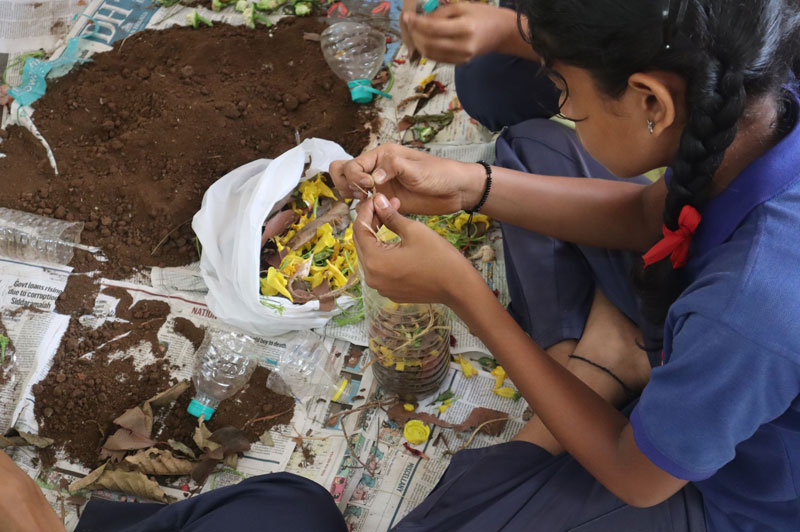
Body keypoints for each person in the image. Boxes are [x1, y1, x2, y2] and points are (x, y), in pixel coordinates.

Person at [331, 0, 800, 530]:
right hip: (701, 326)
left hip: (722, 491)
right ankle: (608, 358)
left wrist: (463, 291)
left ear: (652, 101)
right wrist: (468, 187)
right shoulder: (760, 109)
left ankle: (598, 368)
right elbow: (650, 213)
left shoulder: (748, 307)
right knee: (531, 148)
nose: (561, 103)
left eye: (565, 92)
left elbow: (636, 477)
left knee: (459, 514)